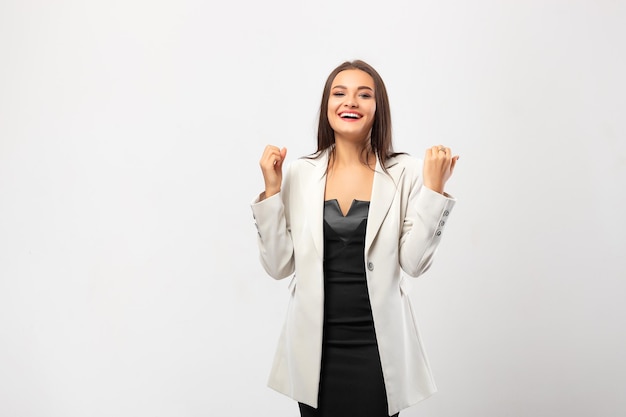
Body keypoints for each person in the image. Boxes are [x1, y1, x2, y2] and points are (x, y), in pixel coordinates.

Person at [250, 59, 459, 417]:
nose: (351, 102)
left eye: (364, 94)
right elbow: (278, 266)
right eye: (339, 93)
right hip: (315, 353)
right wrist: (271, 191)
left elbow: (414, 263)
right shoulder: (299, 173)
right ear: (326, 107)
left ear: (378, 109)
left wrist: (435, 190)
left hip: (378, 352)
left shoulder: (406, 172)